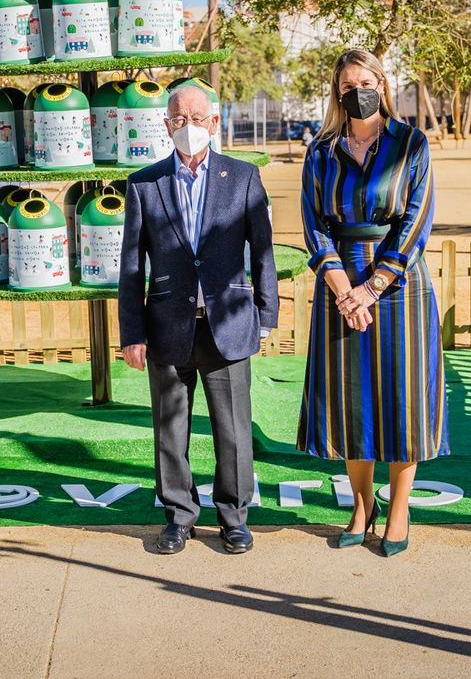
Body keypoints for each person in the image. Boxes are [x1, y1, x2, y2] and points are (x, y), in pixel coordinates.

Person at [298, 48, 446, 557]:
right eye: (346, 84)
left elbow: (415, 223)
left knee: (401, 401)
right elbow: (314, 226)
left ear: (382, 85)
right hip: (339, 286)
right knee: (350, 404)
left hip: (399, 285)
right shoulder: (320, 151)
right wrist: (345, 290)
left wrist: (372, 287)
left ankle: (399, 509)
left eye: (365, 81)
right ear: (337, 91)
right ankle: (362, 506)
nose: (355, 91)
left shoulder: (412, 143)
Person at [119, 84, 278, 556]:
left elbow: (263, 252)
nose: (187, 125)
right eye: (177, 117)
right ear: (166, 125)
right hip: (166, 324)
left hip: (227, 323)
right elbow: (131, 266)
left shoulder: (244, 177)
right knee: (170, 428)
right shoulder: (144, 183)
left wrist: (265, 315)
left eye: (196, 116)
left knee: (233, 430)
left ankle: (233, 517)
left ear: (213, 122)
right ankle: (178, 516)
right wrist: (132, 332)